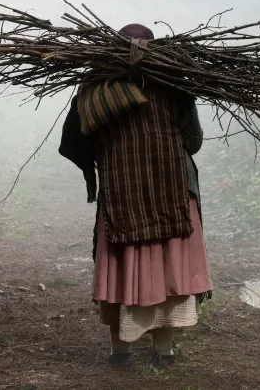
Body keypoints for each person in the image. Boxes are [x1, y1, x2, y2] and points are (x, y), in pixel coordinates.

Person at [58, 23, 213, 369]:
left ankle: (120, 352)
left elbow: (75, 142)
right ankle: (165, 353)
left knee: (124, 266)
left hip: (120, 195)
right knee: (169, 268)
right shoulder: (173, 83)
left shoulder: (97, 88)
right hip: (173, 194)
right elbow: (194, 142)